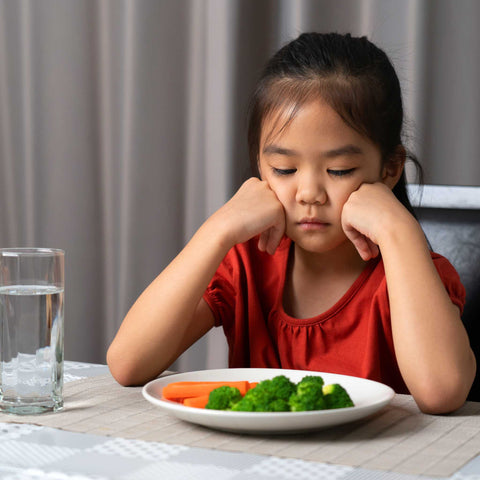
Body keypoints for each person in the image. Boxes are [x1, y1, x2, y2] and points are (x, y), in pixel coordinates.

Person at [107, 32, 476, 413]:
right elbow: (128, 363)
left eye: (339, 169)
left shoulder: (413, 274)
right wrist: (217, 231)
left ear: (389, 169)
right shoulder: (247, 265)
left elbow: (442, 393)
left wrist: (399, 232)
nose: (309, 193)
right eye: (284, 169)